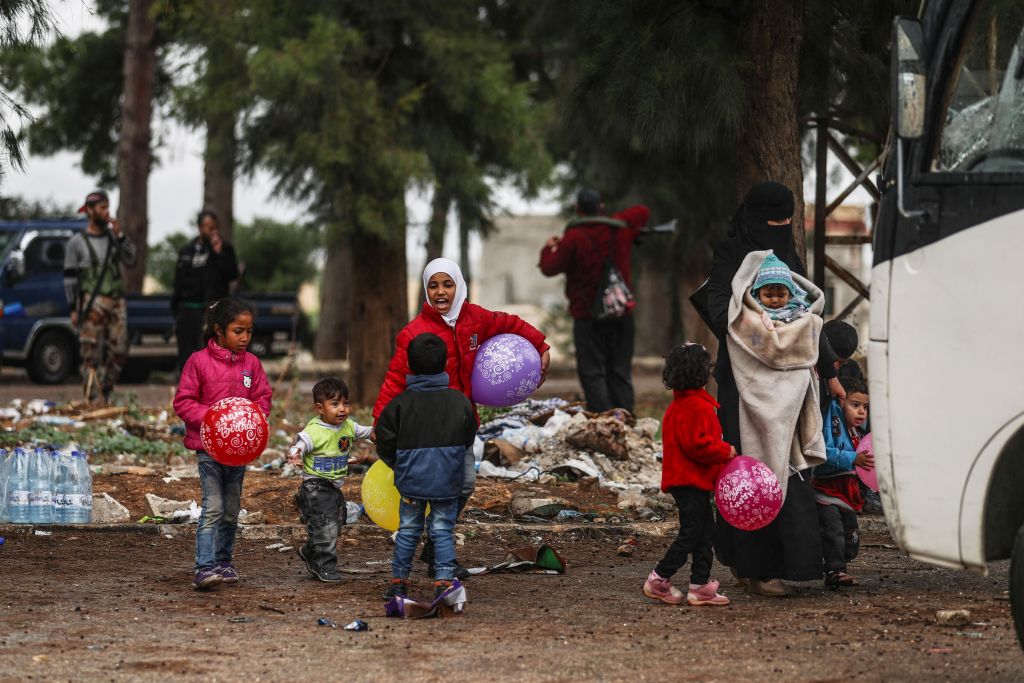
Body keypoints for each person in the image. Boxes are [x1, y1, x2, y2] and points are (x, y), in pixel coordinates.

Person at [374, 257, 550, 578]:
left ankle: (434, 544)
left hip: (459, 426)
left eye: (448, 284)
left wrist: (540, 345)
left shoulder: (475, 319)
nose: (441, 292)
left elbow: (508, 322)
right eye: (433, 285)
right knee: (420, 494)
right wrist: (379, 423)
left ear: (459, 285)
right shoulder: (414, 332)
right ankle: (437, 551)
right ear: (426, 290)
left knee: (466, 484)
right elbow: (395, 380)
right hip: (424, 430)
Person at [706, 181, 838, 597]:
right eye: (771, 224)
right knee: (749, 471)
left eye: (786, 223)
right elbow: (719, 310)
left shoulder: (787, 258)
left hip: (791, 388)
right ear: (752, 219)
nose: (778, 231)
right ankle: (754, 568)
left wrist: (830, 369)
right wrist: (761, 332)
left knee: (788, 469)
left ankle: (783, 564)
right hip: (743, 385)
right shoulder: (729, 256)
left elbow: (808, 317)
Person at [173, 297, 272, 590]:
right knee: (213, 507)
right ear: (219, 330)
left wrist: (252, 418)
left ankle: (224, 562)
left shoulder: (252, 365)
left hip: (239, 453)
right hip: (209, 451)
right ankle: (204, 568)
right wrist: (216, 418)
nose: (245, 338)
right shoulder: (198, 362)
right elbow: (183, 401)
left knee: (231, 509)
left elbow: (262, 398)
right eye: (238, 331)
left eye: (249, 331)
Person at [376, 333, 478, 600]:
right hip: (448, 481)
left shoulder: (399, 404)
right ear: (445, 365)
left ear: (409, 365)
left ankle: (399, 580)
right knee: (443, 529)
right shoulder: (460, 402)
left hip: (411, 481)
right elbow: (469, 437)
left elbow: (385, 442)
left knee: (409, 529)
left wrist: (399, 466)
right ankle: (444, 581)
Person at [538, 188, 650, 413]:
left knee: (592, 372)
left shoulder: (573, 238)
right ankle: (626, 422)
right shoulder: (619, 229)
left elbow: (549, 267)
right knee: (620, 370)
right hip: (620, 314)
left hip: (587, 317)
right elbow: (642, 212)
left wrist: (550, 246)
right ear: (601, 207)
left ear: (577, 210)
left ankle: (603, 421)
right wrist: (616, 220)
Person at [643, 342, 735, 606]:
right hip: (689, 481)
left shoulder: (686, 404)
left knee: (705, 533)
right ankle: (659, 577)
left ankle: (700, 585)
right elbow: (698, 444)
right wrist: (725, 451)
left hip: (692, 481)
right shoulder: (694, 406)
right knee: (692, 533)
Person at [286, 377, 374, 583]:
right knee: (326, 526)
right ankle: (325, 566)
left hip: (334, 487)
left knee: (337, 521)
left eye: (345, 403)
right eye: (335, 404)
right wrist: (295, 454)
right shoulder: (315, 430)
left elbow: (368, 432)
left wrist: (380, 432)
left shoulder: (348, 426)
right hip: (315, 486)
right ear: (320, 408)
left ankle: (310, 550)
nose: (342, 409)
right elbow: (300, 443)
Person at [63, 189, 138, 405]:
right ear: (90, 210)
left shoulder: (114, 238)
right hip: (92, 303)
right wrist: (73, 309)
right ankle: (94, 398)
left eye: (108, 207)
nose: (107, 212)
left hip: (116, 302)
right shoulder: (77, 242)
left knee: (120, 349)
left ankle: (106, 388)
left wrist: (120, 236)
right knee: (90, 355)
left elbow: (131, 259)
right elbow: (70, 279)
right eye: (102, 208)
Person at [814, 376, 873, 588]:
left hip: (848, 493)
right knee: (833, 531)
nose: (861, 412)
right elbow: (823, 454)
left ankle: (836, 564)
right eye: (855, 405)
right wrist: (852, 458)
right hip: (826, 490)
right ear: (841, 402)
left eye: (865, 407)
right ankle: (834, 571)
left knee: (850, 537)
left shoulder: (857, 432)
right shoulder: (834, 424)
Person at [171, 210, 240, 374]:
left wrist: (218, 254)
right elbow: (178, 281)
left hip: (211, 310)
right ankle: (187, 388)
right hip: (187, 310)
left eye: (215, 227)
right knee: (187, 353)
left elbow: (232, 274)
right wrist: (176, 308)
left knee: (210, 351)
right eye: (209, 228)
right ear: (200, 228)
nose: (213, 232)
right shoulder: (187, 251)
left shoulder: (225, 248)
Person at [749, 251, 811, 328]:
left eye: (781, 295)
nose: (775, 300)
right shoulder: (753, 309)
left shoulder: (797, 308)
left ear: (790, 294)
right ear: (758, 293)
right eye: (768, 295)